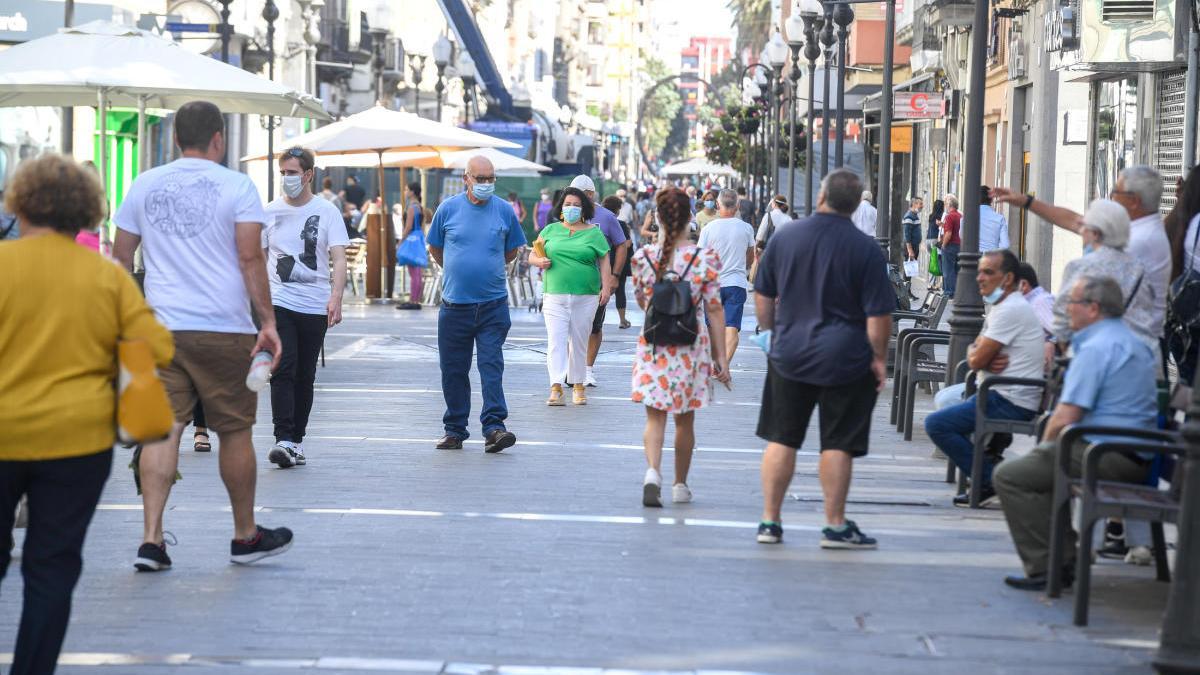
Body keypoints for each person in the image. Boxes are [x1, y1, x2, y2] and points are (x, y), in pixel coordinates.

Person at [0, 155, 172, 675]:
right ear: (87, 210)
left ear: (20, 204)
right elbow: (157, 346)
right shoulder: (104, 277)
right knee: (52, 566)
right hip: (77, 440)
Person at [113, 100, 293, 571]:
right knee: (234, 431)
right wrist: (268, 321)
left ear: (175, 139)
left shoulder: (143, 185)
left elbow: (120, 259)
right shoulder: (238, 186)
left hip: (159, 328)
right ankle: (244, 535)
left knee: (163, 429)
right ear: (219, 138)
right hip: (223, 328)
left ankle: (151, 540)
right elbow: (251, 259)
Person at [754, 169, 894, 549]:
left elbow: (763, 291)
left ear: (821, 196)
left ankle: (770, 521)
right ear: (855, 205)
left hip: (790, 353)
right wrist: (879, 358)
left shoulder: (787, 237)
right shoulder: (866, 249)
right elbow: (879, 316)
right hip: (846, 357)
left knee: (781, 438)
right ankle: (833, 525)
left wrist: (769, 333)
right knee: (837, 443)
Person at [993, 275, 1157, 591]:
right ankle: (1064, 558)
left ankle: (1047, 567)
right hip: (1130, 453)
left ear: (1093, 308)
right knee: (1041, 473)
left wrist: (1042, 451)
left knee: (1011, 476)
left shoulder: (1096, 348)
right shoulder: (1131, 340)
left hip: (1106, 455)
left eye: (1073, 302)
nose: (1066, 308)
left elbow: (1066, 415)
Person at [994, 166, 1168, 355]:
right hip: (1135, 349)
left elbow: (1064, 315)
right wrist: (1027, 201)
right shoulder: (1134, 230)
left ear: (1134, 201)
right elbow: (1076, 221)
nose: (1111, 196)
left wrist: (1063, 345)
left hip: (1114, 352)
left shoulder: (1138, 241)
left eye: (1116, 192)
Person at [631, 187, 730, 507]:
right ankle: (679, 484)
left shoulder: (643, 258)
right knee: (684, 420)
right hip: (690, 346)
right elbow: (714, 309)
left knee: (654, 417)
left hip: (655, 345)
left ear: (657, 218)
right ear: (690, 216)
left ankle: (652, 472)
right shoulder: (704, 259)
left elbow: (644, 301)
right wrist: (721, 358)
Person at [924, 250, 1045, 507]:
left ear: (1008, 278)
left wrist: (980, 356)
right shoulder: (1001, 307)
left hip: (1007, 399)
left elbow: (976, 360)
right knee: (944, 413)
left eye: (988, 272)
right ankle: (989, 474)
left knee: (937, 425)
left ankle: (991, 479)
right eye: (979, 271)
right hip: (993, 392)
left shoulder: (1010, 309)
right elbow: (974, 353)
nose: (979, 278)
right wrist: (979, 355)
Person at [427, 155, 526, 452]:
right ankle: (454, 429)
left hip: (492, 305)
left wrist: (484, 268)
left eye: (490, 178)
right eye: (480, 178)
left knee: (490, 365)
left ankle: (495, 427)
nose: (486, 184)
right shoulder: (448, 209)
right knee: (453, 370)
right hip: (455, 306)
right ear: (466, 178)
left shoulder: (504, 211)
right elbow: (435, 247)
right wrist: (459, 271)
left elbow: (512, 251)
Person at [262, 146, 349, 469]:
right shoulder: (269, 211)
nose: (287, 179)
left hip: (314, 304)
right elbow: (257, 258)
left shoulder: (327, 211)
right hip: (278, 301)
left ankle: (295, 441)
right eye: (283, 173)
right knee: (283, 368)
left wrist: (336, 298)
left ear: (309, 174)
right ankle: (282, 438)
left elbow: (338, 258)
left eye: (293, 173)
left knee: (305, 374)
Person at [529, 187, 612, 406]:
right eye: (568, 204)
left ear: (584, 208)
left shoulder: (594, 232)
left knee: (579, 341)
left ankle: (578, 385)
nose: (571, 208)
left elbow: (604, 258)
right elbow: (532, 254)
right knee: (556, 341)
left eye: (576, 205)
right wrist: (539, 261)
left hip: (586, 296)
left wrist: (607, 286)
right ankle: (556, 386)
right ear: (561, 208)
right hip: (554, 294)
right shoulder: (550, 230)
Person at [570, 174, 630, 387]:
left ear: (590, 194)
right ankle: (572, 368)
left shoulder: (606, 217)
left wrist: (614, 275)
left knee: (594, 326)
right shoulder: (566, 214)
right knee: (571, 326)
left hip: (596, 282)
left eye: (579, 194)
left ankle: (587, 370)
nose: (574, 200)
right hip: (569, 282)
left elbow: (621, 245)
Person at [697, 188, 755, 362]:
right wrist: (740, 265)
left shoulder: (708, 228)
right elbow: (751, 256)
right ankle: (723, 365)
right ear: (738, 205)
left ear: (717, 204)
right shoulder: (746, 228)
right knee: (732, 327)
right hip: (736, 283)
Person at [602, 195, 635, 329]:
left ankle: (597, 319)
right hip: (617, 263)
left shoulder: (596, 222)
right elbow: (627, 243)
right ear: (617, 209)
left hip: (602, 262)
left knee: (599, 290)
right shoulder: (619, 223)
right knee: (620, 290)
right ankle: (622, 320)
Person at [399, 182, 426, 309]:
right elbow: (421, 226)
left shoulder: (411, 207)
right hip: (419, 238)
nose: (405, 192)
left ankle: (413, 301)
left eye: (406, 189)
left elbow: (408, 227)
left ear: (412, 192)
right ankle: (416, 300)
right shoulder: (420, 207)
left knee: (413, 272)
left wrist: (401, 241)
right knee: (418, 272)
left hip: (411, 240)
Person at [940, 195, 962, 297]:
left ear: (949, 204)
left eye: (945, 204)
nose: (945, 206)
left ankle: (949, 292)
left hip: (950, 246)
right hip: (959, 246)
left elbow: (948, 233)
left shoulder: (949, 216)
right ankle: (957, 291)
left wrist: (943, 245)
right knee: (957, 270)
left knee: (948, 270)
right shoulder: (960, 216)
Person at [978, 186, 1011, 252]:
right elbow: (1006, 245)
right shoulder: (1000, 218)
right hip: (991, 259)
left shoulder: (967, 217)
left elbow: (961, 235)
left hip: (972, 258)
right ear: (992, 199)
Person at [902, 197, 923, 261]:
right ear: (914, 204)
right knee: (910, 269)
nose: (922, 206)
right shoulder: (909, 216)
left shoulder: (914, 215)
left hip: (914, 247)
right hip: (911, 247)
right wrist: (910, 250)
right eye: (921, 204)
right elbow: (907, 234)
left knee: (912, 268)